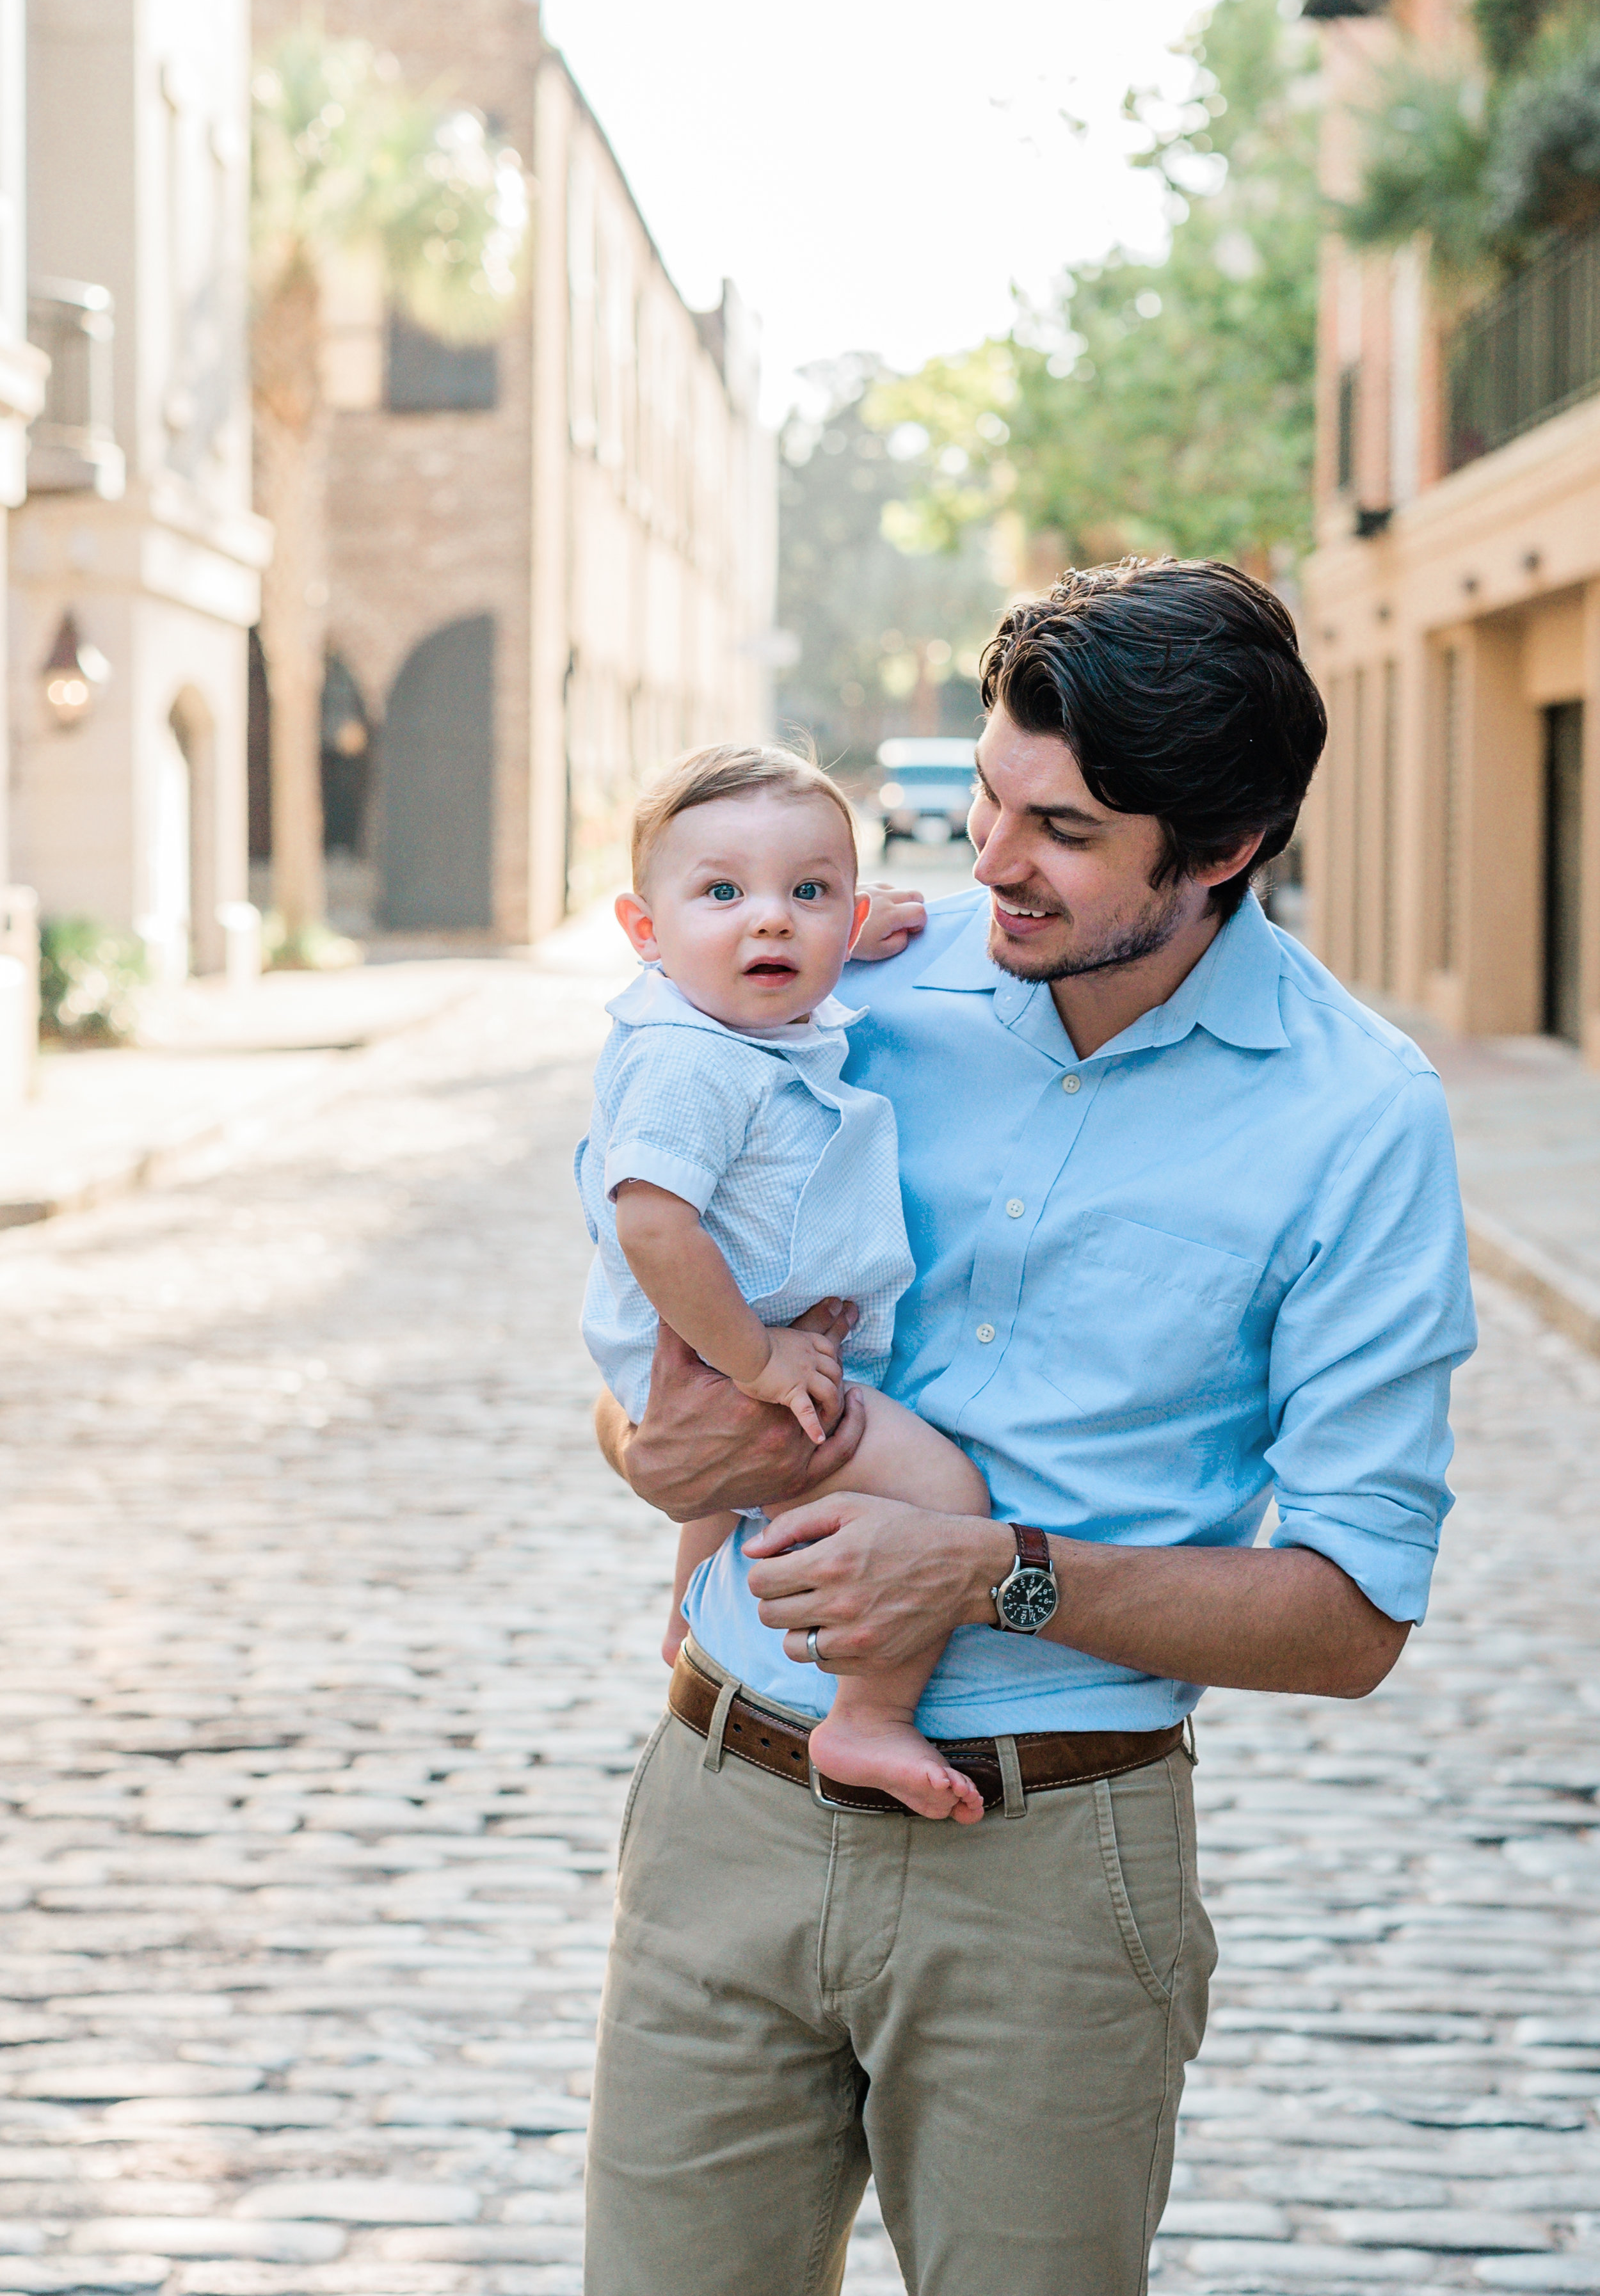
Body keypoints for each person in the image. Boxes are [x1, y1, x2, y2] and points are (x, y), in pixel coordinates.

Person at [584, 559, 1476, 2296]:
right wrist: (649, 1450)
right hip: (719, 1810)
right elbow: (645, 1300)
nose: (984, 857)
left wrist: (989, 1575)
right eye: (989, 796)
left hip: (1049, 1874)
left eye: (1058, 830)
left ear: (1217, 850)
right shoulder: (853, 984)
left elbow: (1351, 1613)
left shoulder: (1359, 1121)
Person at [575, 744, 993, 1822]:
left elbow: (782, 977)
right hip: (737, 1348)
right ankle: (869, 1716)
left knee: (721, 1489)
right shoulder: (690, 1061)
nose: (771, 921)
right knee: (947, 1497)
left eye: (809, 891)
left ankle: (688, 1618)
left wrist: (862, 932)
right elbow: (653, 1220)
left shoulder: (727, 1015)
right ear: (643, 931)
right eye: (722, 891)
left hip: (722, 1343)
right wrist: (757, 1362)